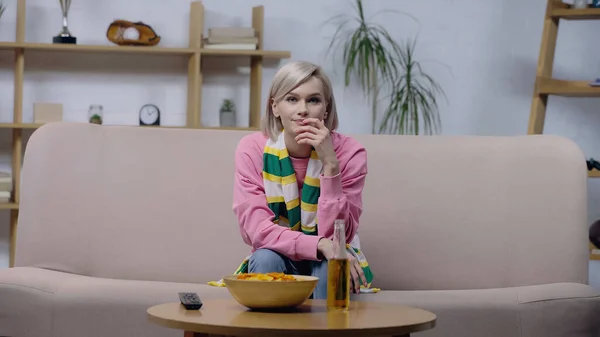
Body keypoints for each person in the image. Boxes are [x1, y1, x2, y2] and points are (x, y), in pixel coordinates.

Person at [226, 60, 374, 299]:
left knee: (332, 264)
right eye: (292, 99)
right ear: (275, 107)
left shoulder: (350, 153)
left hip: (330, 256)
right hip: (277, 254)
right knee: (265, 258)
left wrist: (331, 166)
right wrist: (319, 245)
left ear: (325, 109)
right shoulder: (252, 149)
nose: (303, 109)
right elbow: (257, 231)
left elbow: (339, 235)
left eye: (313, 100)